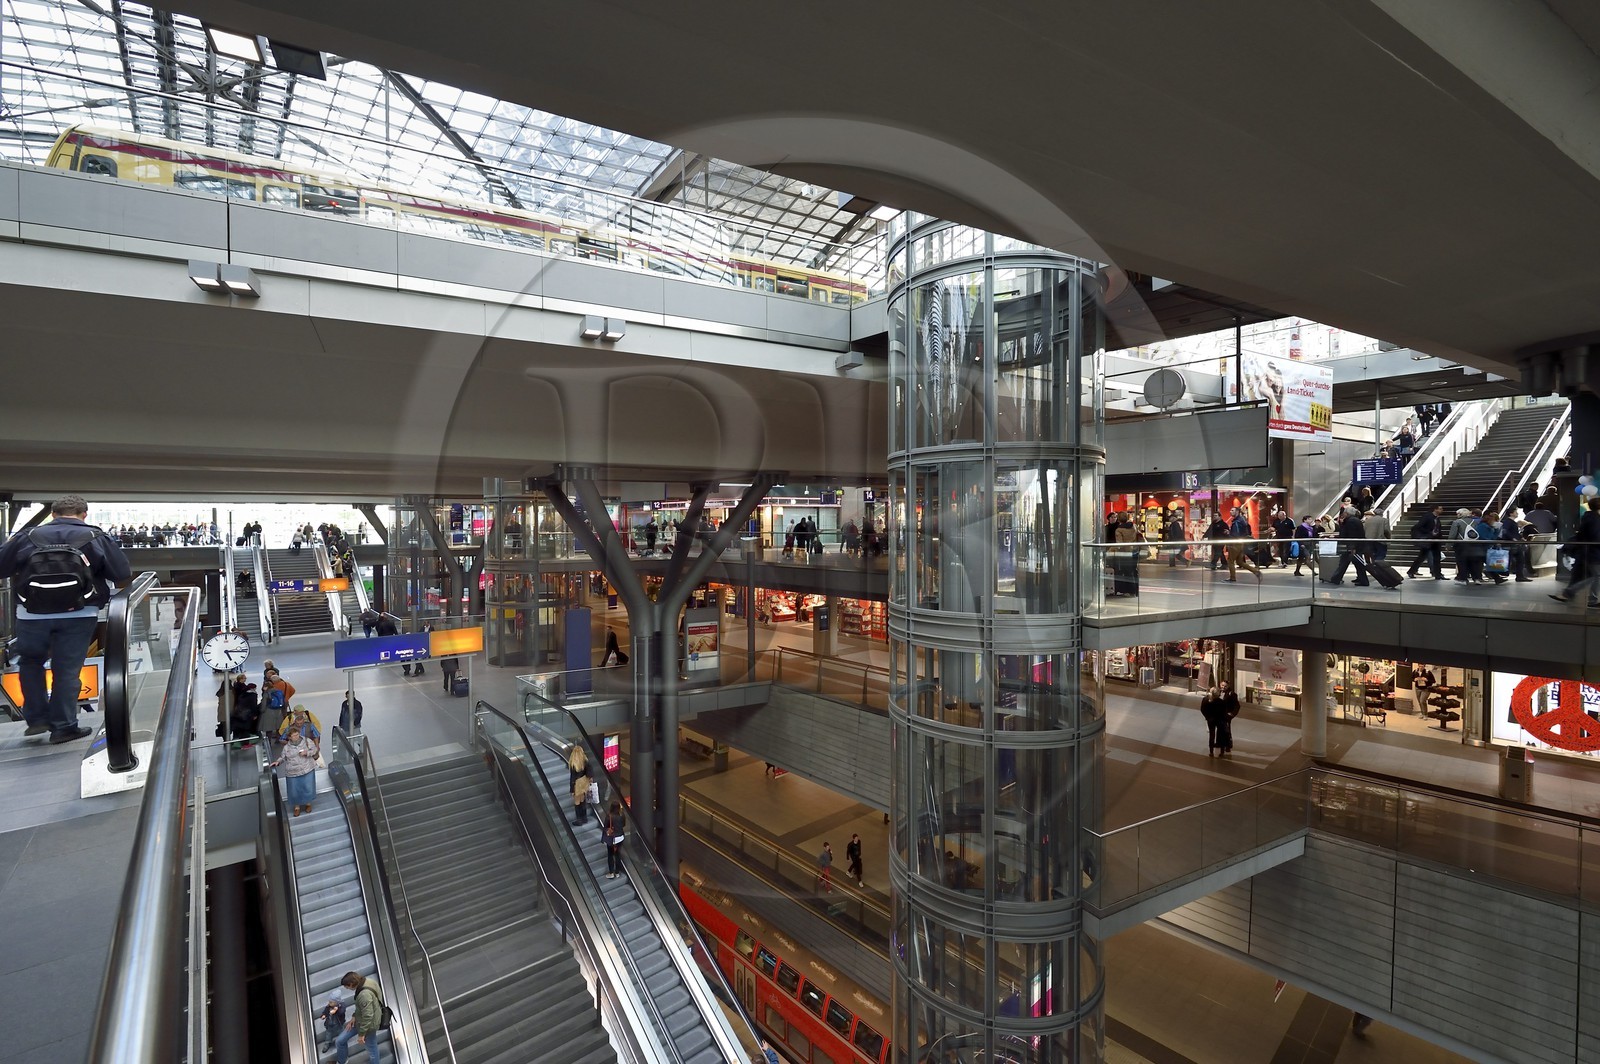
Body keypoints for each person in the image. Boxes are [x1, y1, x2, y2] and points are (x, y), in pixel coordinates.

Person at [0, 495, 130, 743]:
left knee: (30, 662)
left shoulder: (28, 536)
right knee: (67, 670)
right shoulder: (96, 537)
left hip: (31, 614)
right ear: (84, 514)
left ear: (53, 513)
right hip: (80, 613)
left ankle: (37, 718)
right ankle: (64, 727)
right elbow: (121, 572)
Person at [1550, 496, 1600, 609]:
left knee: (1583, 574)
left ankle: (1568, 593)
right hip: (1593, 553)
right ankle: (1590, 599)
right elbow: (1596, 537)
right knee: (1596, 576)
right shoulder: (1595, 520)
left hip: (1585, 552)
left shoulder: (1587, 517)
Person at [336, 972, 387, 1064]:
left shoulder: (364, 995)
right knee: (340, 1041)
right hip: (360, 1020)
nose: (347, 989)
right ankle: (342, 1061)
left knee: (372, 1050)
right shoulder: (368, 981)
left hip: (368, 1026)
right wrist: (355, 1016)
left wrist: (362, 1034)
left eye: (347, 987)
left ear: (351, 984)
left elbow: (368, 1015)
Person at [271, 723, 319, 816]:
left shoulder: (306, 741)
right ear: (289, 737)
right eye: (294, 736)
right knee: (294, 790)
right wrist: (278, 762)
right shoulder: (286, 748)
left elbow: (314, 749)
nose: (296, 737)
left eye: (297, 734)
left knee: (307, 787)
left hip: (307, 768)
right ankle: (296, 807)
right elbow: (283, 757)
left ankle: (308, 804)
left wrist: (307, 753)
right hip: (293, 772)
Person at [1327, 508, 1371, 586]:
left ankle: (1336, 578)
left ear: (1347, 513)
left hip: (1351, 546)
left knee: (1345, 562)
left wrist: (1352, 547)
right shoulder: (1355, 520)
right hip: (1356, 545)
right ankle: (1362, 580)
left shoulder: (1351, 521)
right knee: (1355, 563)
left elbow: (1352, 535)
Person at [1408, 505, 1446, 579]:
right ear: (1435, 509)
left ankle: (1438, 574)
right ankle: (1411, 571)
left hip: (1435, 540)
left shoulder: (1437, 518)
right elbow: (1418, 526)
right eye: (1440, 509)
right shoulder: (1427, 517)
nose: (1442, 510)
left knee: (1436, 557)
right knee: (1422, 557)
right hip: (1428, 540)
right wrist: (1429, 533)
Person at [1225, 508, 1261, 582]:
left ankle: (1232, 577)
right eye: (1230, 510)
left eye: (1232, 510)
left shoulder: (1237, 522)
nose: (1230, 511)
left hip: (1235, 543)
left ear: (1237, 512)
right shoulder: (1242, 520)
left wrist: (1229, 534)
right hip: (1241, 543)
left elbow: (1236, 534)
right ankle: (1255, 571)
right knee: (1240, 562)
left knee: (1230, 561)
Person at [260, 667, 296, 737]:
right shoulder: (286, 683)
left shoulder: (272, 686)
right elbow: (293, 690)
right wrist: (287, 697)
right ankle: (283, 732)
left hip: (274, 705)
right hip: (285, 702)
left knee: (275, 720)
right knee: (284, 717)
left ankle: (276, 733)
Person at [1448, 508, 1477, 583]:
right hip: (1473, 544)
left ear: (1460, 514)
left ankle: (1463, 578)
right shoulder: (1474, 522)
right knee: (1472, 562)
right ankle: (1476, 578)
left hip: (1460, 544)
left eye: (1457, 514)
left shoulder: (1457, 522)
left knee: (1461, 561)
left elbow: (1452, 534)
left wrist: (1449, 545)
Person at [1200, 685, 1226, 756]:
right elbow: (1224, 712)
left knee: (1212, 734)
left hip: (1210, 720)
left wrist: (1207, 717)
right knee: (1221, 734)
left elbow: (1202, 709)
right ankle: (1222, 751)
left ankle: (1211, 751)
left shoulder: (1205, 700)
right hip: (1219, 720)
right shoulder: (1221, 702)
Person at [1216, 681, 1241, 755]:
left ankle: (1227, 746)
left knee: (1226, 731)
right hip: (1219, 715)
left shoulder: (1232, 694)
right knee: (1219, 730)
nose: (1223, 687)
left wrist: (1232, 714)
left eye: (1225, 686)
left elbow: (1237, 706)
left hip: (1226, 715)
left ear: (1228, 686)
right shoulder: (1218, 692)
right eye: (1222, 685)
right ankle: (1219, 743)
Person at [603, 802, 625, 878]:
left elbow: (605, 826)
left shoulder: (609, 816)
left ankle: (611, 873)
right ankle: (617, 872)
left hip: (612, 838)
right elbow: (623, 824)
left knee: (610, 855)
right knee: (618, 855)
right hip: (620, 837)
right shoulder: (622, 815)